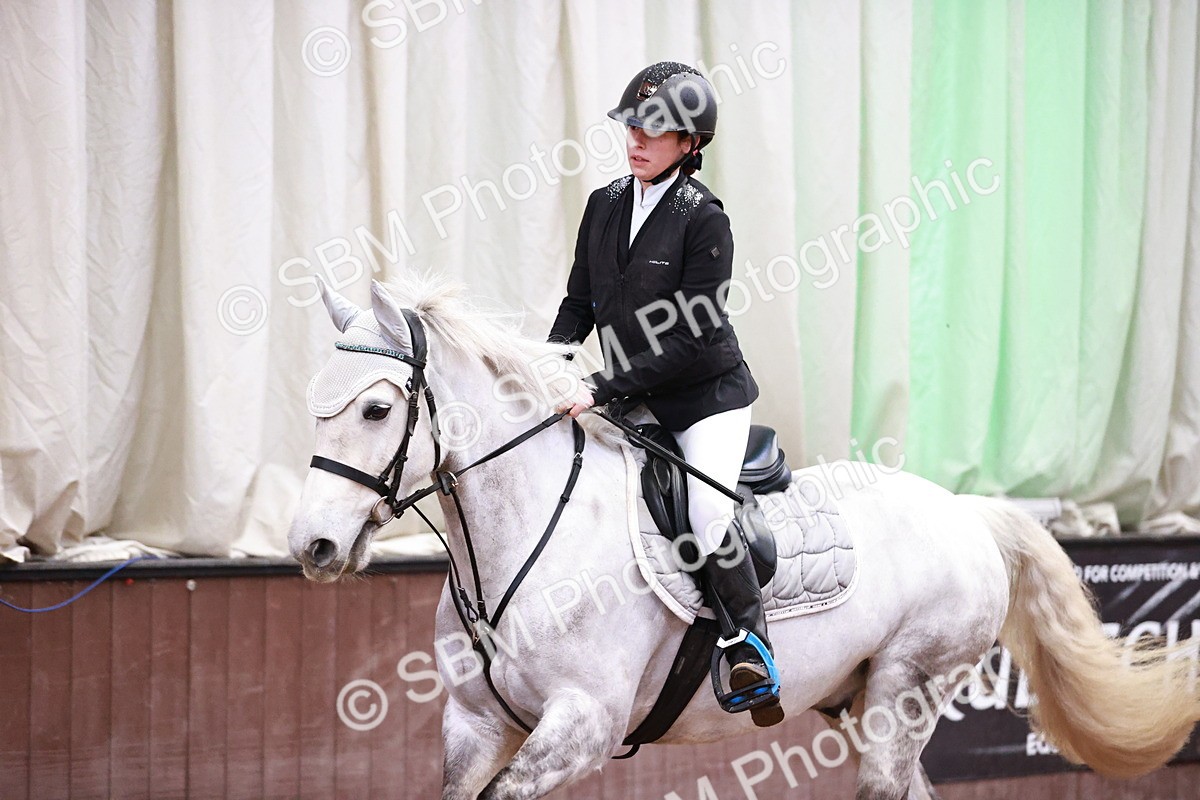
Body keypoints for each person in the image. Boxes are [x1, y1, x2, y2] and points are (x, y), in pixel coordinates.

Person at [548, 62, 782, 727]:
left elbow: (688, 337)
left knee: (708, 515)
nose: (637, 141)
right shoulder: (603, 204)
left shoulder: (704, 219)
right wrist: (548, 365)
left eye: (656, 131)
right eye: (632, 126)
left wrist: (599, 387)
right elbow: (577, 303)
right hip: (628, 393)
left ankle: (749, 645)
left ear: (691, 144)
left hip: (705, 397)